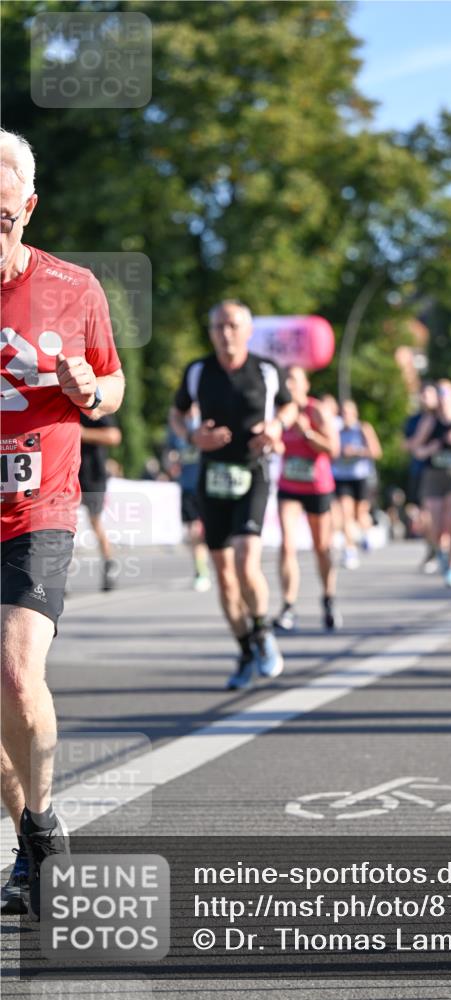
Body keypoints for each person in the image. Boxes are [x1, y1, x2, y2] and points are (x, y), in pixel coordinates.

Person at [0, 129, 125, 918]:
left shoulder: (73, 289)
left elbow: (113, 392)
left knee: (16, 674)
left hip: (38, 508)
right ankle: (30, 843)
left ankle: (40, 827)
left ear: (28, 207)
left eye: (1, 213)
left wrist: (87, 388)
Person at [170, 300, 296, 691]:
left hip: (253, 472)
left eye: (233, 325)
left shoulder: (266, 370)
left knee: (246, 560)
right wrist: (193, 436)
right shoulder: (198, 371)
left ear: (248, 330)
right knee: (224, 577)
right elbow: (177, 414)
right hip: (213, 476)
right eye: (218, 326)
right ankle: (244, 650)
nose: (225, 333)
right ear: (211, 332)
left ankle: (261, 632)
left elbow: (290, 409)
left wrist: (275, 428)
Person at [274, 366, 341, 632]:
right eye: (286, 379)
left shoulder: (317, 411)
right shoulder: (281, 414)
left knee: (321, 547)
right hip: (289, 486)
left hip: (317, 487)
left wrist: (309, 434)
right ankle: (288, 605)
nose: (289, 384)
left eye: (294, 380)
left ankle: (328, 597)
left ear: (305, 384)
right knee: (287, 545)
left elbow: (334, 448)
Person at [410, 379, 451, 590]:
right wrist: (431, 448)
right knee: (437, 528)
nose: (443, 399)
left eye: (446, 394)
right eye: (439, 394)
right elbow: (415, 448)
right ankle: (440, 553)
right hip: (434, 475)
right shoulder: (429, 421)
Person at [331, 400, 382, 569]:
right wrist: (341, 453)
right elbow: (331, 451)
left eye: (348, 412)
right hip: (342, 477)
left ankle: (367, 533)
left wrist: (357, 451)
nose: (345, 416)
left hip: (361, 476)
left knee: (360, 513)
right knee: (345, 513)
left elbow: (376, 452)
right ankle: (350, 551)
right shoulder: (336, 431)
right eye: (342, 412)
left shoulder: (363, 429)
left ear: (355, 414)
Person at [166, 404, 212, 591]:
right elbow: (170, 452)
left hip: (206, 486)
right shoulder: (177, 427)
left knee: (201, 531)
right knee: (192, 532)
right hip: (187, 487)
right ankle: (201, 570)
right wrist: (172, 462)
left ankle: (205, 567)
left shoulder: (206, 423)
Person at [79, 412, 122, 591]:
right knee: (61, 524)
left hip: (92, 476)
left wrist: (82, 433)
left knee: (96, 522)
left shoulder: (93, 409)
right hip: (66, 475)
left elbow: (114, 436)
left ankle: (109, 565)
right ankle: (58, 576)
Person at [403, 381, 439, 573]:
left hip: (443, 473)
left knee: (441, 517)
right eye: (422, 394)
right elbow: (407, 445)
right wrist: (420, 441)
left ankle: (440, 550)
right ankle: (433, 549)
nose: (425, 398)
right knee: (424, 516)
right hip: (421, 472)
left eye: (429, 394)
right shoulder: (415, 420)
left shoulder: (444, 418)